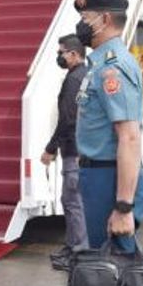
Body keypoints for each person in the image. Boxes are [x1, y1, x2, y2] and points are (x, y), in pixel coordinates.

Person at [72, 0, 143, 286]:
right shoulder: (100, 63)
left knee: (121, 280)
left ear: (103, 20)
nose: (81, 26)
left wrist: (122, 207)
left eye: (86, 19)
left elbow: (129, 137)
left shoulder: (112, 68)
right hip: (99, 175)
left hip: (109, 179)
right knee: (111, 279)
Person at [42, 33, 89, 271]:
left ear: (73, 53)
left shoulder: (74, 79)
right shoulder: (83, 75)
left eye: (61, 52)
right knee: (71, 200)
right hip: (80, 147)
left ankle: (78, 251)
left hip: (73, 149)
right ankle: (72, 247)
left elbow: (68, 119)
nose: (59, 57)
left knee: (73, 202)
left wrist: (50, 148)